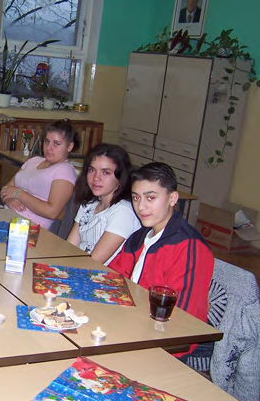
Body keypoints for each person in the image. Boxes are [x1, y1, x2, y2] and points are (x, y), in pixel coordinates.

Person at [109, 162, 214, 353]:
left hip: (164, 345)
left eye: (150, 198)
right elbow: (112, 279)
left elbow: (184, 321)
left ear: (172, 198)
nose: (141, 206)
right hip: (128, 322)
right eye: (136, 197)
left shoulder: (188, 247)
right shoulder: (139, 237)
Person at [67, 144, 141, 263]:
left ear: (120, 177)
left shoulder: (123, 212)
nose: (96, 178)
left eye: (105, 172)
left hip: (98, 271)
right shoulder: (90, 204)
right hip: (77, 266)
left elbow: (93, 262)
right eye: (91, 170)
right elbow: (70, 247)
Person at [0, 120, 78, 229]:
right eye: (46, 141)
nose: (49, 148)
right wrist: (9, 200)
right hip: (6, 216)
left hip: (30, 227)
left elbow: (52, 212)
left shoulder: (65, 170)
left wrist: (19, 194)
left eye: (56, 143)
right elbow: (6, 189)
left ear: (69, 146)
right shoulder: (34, 160)